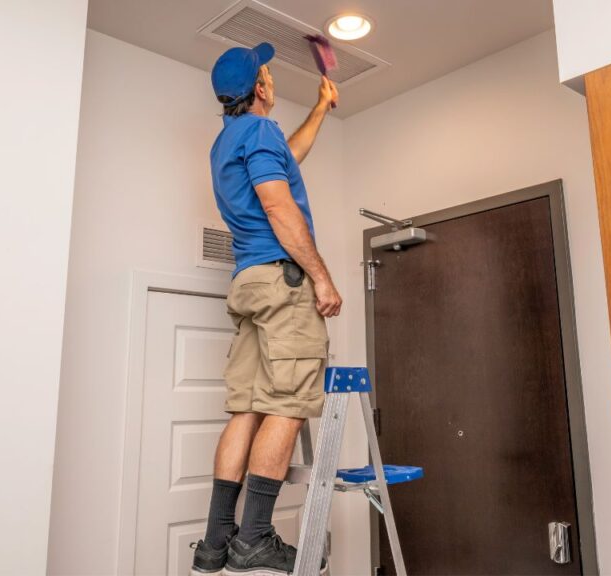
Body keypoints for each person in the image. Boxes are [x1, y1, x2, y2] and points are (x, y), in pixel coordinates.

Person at [190, 42, 342, 576]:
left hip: (249, 282)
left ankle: (216, 541)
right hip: (283, 281)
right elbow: (277, 201)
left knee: (247, 407)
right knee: (286, 401)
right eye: (269, 75)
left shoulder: (231, 140)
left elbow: (287, 157)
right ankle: (254, 537)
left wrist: (320, 109)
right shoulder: (259, 133)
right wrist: (321, 276)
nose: (272, 81)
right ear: (260, 88)